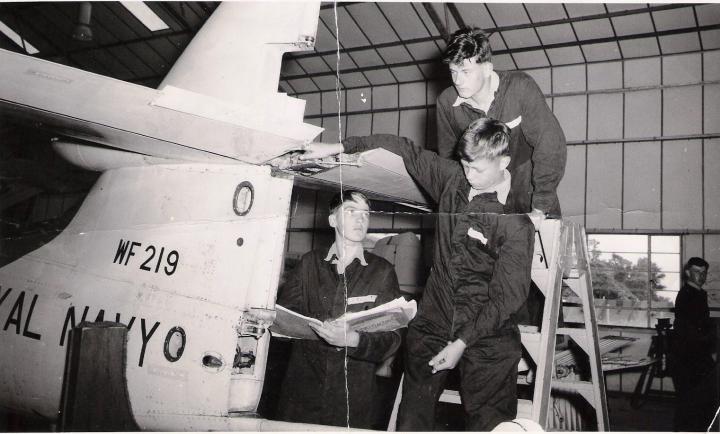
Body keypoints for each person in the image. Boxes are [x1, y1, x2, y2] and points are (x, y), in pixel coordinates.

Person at [301, 117, 536, 430]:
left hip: (488, 334)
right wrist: (339, 146)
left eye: (477, 169)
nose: (469, 175)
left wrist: (462, 342)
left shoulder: (515, 222)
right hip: (434, 323)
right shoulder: (452, 179)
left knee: (489, 424)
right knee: (413, 417)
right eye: (465, 165)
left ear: (503, 161)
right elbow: (402, 148)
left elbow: (508, 297)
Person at [274, 190, 402, 429]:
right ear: (333, 220)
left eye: (365, 213)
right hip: (302, 391)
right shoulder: (309, 263)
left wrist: (354, 340)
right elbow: (283, 317)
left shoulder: (382, 272)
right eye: (351, 211)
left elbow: (392, 339)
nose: (360, 219)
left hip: (351, 397)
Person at [436, 27, 566, 219]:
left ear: (487, 67)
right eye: (453, 71)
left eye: (465, 71)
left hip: (529, 191)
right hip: (484, 201)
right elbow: (449, 160)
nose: (458, 80)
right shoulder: (447, 103)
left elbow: (550, 145)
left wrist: (540, 206)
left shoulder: (520, 88)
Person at [671, 257, 718, 431]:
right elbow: (692, 331)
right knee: (688, 404)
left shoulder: (699, 294)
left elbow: (702, 325)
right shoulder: (686, 295)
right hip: (686, 359)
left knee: (697, 405)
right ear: (688, 273)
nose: (701, 276)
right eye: (697, 272)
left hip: (695, 357)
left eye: (704, 273)